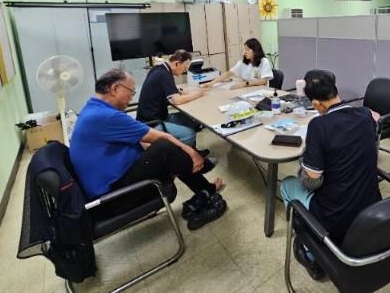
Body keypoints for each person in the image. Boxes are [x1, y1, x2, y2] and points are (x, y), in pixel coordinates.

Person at [70, 69, 226, 230]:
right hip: (112, 200)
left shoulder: (93, 109)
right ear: (115, 89)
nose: (132, 97)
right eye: (131, 91)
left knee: (167, 153)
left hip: (112, 188)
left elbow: (139, 140)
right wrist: (192, 153)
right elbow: (160, 137)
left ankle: (206, 186)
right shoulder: (106, 116)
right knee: (164, 148)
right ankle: (203, 168)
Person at [280, 69, 381, 280]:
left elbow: (313, 181)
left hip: (335, 215)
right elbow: (374, 119)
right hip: (371, 207)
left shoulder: (318, 126)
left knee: (287, 184)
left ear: (316, 104)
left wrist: (307, 155)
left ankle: (310, 246)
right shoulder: (365, 115)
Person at [136, 49, 206, 153]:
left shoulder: (159, 69)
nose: (185, 70)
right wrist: (198, 94)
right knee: (190, 134)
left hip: (152, 118)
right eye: (185, 67)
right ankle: (183, 158)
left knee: (191, 120)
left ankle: (192, 150)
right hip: (153, 123)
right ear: (177, 63)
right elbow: (176, 101)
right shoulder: (164, 75)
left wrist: (182, 92)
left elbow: (168, 91)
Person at [201, 38, 273, 90]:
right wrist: (212, 83)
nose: (245, 52)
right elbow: (229, 73)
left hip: (260, 90)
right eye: (244, 49)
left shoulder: (264, 61)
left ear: (255, 50)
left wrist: (244, 84)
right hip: (247, 89)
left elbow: (263, 81)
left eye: (247, 50)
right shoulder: (243, 62)